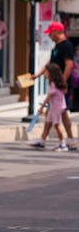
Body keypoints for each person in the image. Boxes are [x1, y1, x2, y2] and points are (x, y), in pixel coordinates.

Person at [32, 21, 77, 150]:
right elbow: (50, 63)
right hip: (56, 84)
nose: (49, 35)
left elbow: (69, 65)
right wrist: (38, 74)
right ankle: (43, 140)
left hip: (61, 86)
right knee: (52, 113)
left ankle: (69, 141)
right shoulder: (56, 46)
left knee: (61, 113)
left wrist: (61, 83)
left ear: (57, 31)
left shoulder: (66, 46)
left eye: (50, 32)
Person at [28, 63, 68, 151]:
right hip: (54, 107)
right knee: (47, 124)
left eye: (45, 72)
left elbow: (48, 97)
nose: (44, 73)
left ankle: (63, 144)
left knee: (57, 125)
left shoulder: (53, 84)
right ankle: (42, 141)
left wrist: (42, 107)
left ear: (51, 73)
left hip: (56, 108)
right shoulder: (55, 83)